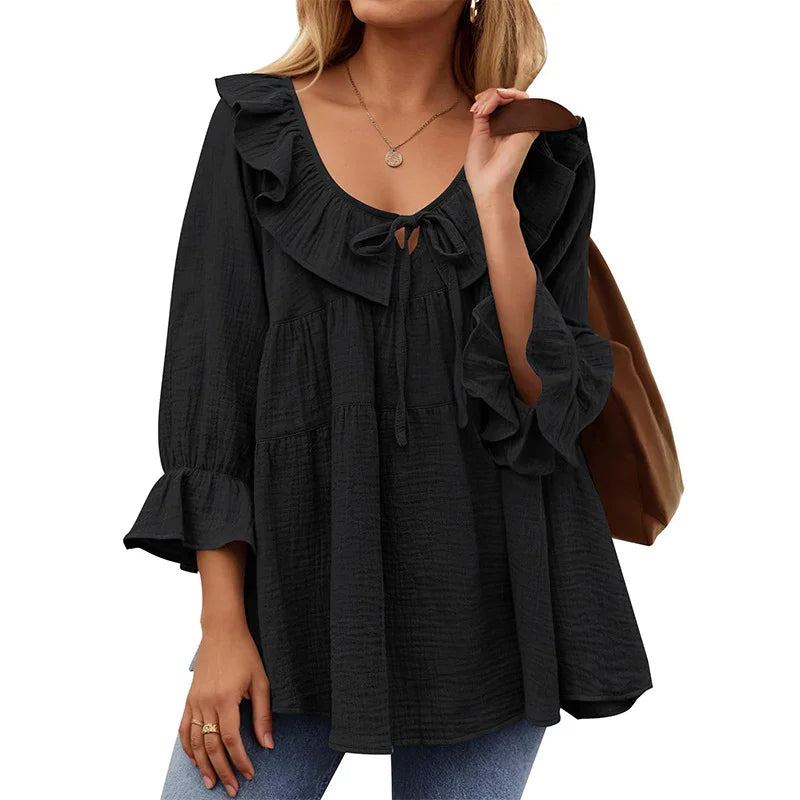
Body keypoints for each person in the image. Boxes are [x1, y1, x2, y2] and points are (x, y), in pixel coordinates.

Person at [124, 1, 653, 797]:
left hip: (491, 601)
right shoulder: (254, 130)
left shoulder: (538, 146)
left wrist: (495, 206)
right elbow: (212, 386)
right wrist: (221, 625)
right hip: (297, 594)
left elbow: (546, 405)